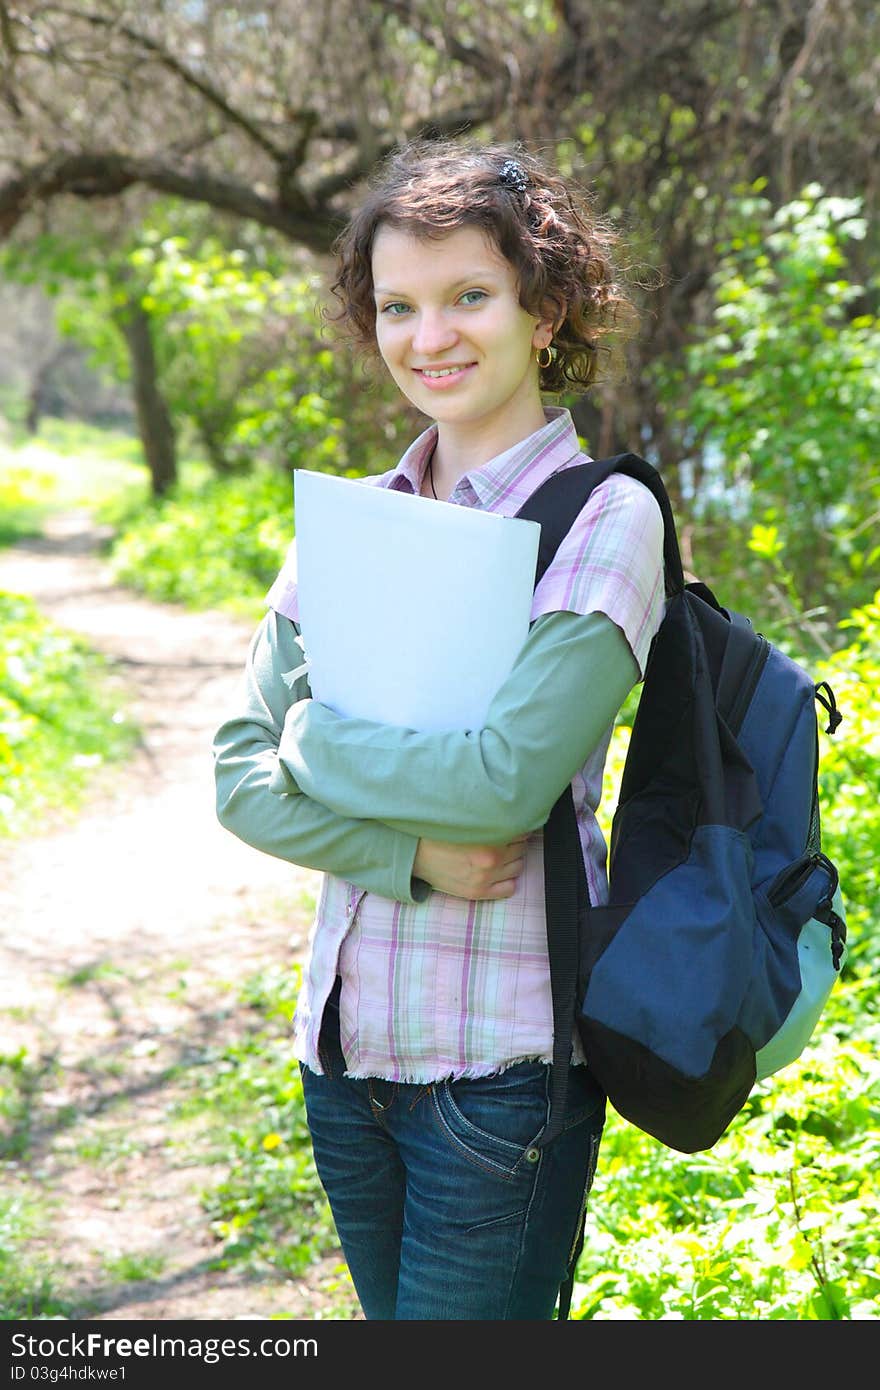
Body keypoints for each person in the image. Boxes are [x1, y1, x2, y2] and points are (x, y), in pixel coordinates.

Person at [212, 139, 665, 1321]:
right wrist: (400, 856)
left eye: (469, 295)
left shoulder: (602, 518)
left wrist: (312, 736)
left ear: (545, 304)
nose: (432, 338)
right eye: (400, 306)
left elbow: (501, 786)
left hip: (501, 1070)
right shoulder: (347, 522)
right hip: (341, 1055)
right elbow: (232, 778)